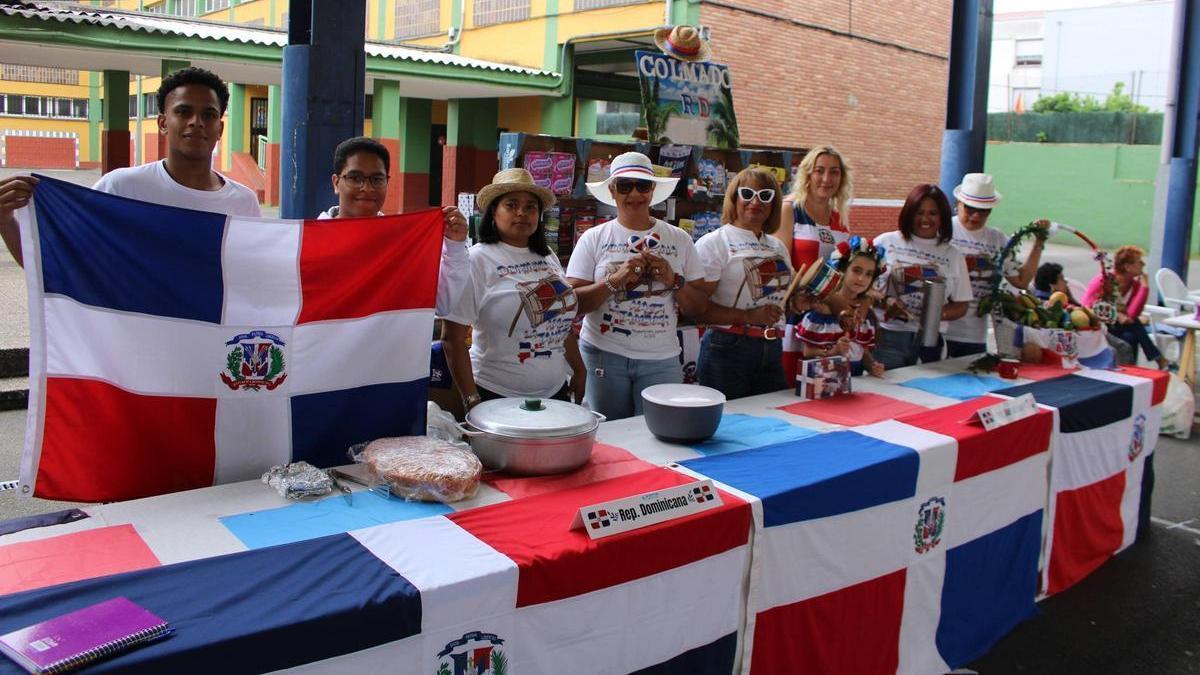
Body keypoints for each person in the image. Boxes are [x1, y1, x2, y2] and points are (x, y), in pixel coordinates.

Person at [0, 67, 260, 266]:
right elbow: (58, 264)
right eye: (183, 112)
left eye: (209, 115)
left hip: (210, 338)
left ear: (220, 128)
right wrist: (5, 219)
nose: (196, 122)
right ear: (163, 123)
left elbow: (261, 280)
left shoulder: (243, 203)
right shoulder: (122, 188)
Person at [566, 151, 707, 420]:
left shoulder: (679, 239)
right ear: (612, 190)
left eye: (642, 185)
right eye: (625, 185)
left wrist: (672, 280)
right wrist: (614, 280)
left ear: (653, 190)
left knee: (660, 434)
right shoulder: (593, 238)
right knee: (609, 437)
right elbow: (572, 304)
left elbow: (699, 306)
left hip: (661, 357)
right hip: (603, 354)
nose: (634, 194)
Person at [440, 168, 585, 410]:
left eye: (530, 206)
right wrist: (471, 400)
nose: (522, 212)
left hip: (555, 393)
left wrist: (579, 369)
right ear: (493, 212)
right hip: (496, 395)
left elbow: (558, 320)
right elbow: (452, 340)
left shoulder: (547, 256)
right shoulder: (477, 260)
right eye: (511, 204)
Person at [318, 136, 469, 316]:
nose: (367, 187)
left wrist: (455, 247)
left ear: (387, 182)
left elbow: (442, 304)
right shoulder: (309, 244)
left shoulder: (403, 244)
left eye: (377, 179)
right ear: (336, 183)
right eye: (355, 177)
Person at [693, 168, 791, 399]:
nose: (755, 201)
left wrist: (798, 302)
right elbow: (696, 310)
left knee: (772, 425)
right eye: (747, 193)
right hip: (728, 348)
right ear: (734, 197)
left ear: (774, 204)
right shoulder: (713, 243)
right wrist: (748, 317)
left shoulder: (777, 246)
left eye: (765, 196)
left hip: (772, 346)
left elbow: (779, 299)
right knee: (728, 427)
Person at [771, 145, 853, 386]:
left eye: (834, 172)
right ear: (807, 173)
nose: (826, 179)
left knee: (824, 388)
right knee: (790, 387)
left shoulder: (841, 219)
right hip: (795, 315)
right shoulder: (790, 209)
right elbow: (782, 263)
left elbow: (843, 272)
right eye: (820, 171)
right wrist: (821, 296)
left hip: (828, 321)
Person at [943, 173, 1046, 357]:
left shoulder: (997, 239)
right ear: (958, 204)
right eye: (970, 208)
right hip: (941, 330)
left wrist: (1039, 243)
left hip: (975, 335)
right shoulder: (943, 232)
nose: (976, 215)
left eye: (984, 211)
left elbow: (1021, 281)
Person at [872, 184, 973, 369]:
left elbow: (961, 305)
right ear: (909, 212)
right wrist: (884, 301)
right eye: (919, 212)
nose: (925, 219)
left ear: (942, 216)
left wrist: (933, 315)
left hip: (930, 341)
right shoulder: (884, 242)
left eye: (933, 213)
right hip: (888, 337)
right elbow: (860, 288)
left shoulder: (954, 255)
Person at [797, 237, 886, 377]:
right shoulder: (823, 309)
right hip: (825, 383)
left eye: (869, 274)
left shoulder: (865, 313)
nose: (862, 279)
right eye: (856, 271)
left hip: (856, 384)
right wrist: (833, 352)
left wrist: (872, 366)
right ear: (843, 269)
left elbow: (863, 352)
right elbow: (807, 352)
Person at [1083, 245, 1171, 370]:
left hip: (1121, 326)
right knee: (1134, 327)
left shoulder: (1134, 285)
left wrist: (1144, 288)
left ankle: (1132, 369)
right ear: (1127, 267)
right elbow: (1087, 306)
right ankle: (1157, 359)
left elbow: (1132, 314)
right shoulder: (1103, 281)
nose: (1143, 264)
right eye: (1139, 262)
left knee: (1131, 335)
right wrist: (1117, 315)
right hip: (1100, 326)